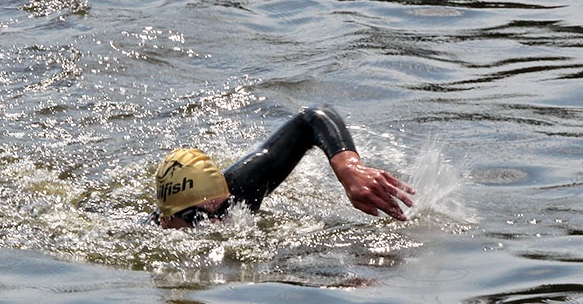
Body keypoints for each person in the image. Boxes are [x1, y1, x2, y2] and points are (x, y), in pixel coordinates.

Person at [152, 105, 415, 229]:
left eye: (221, 208)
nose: (217, 221)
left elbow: (313, 118)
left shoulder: (239, 192)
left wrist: (348, 167)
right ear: (167, 219)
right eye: (196, 218)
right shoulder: (146, 240)